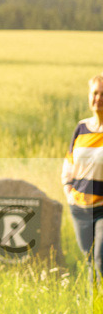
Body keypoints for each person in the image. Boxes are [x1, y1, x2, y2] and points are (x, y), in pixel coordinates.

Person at [62, 73, 103, 280]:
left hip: (102, 208)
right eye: (95, 93)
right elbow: (69, 162)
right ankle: (95, 308)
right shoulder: (81, 127)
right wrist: (68, 190)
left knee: (101, 259)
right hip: (80, 208)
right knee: (89, 262)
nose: (98, 99)